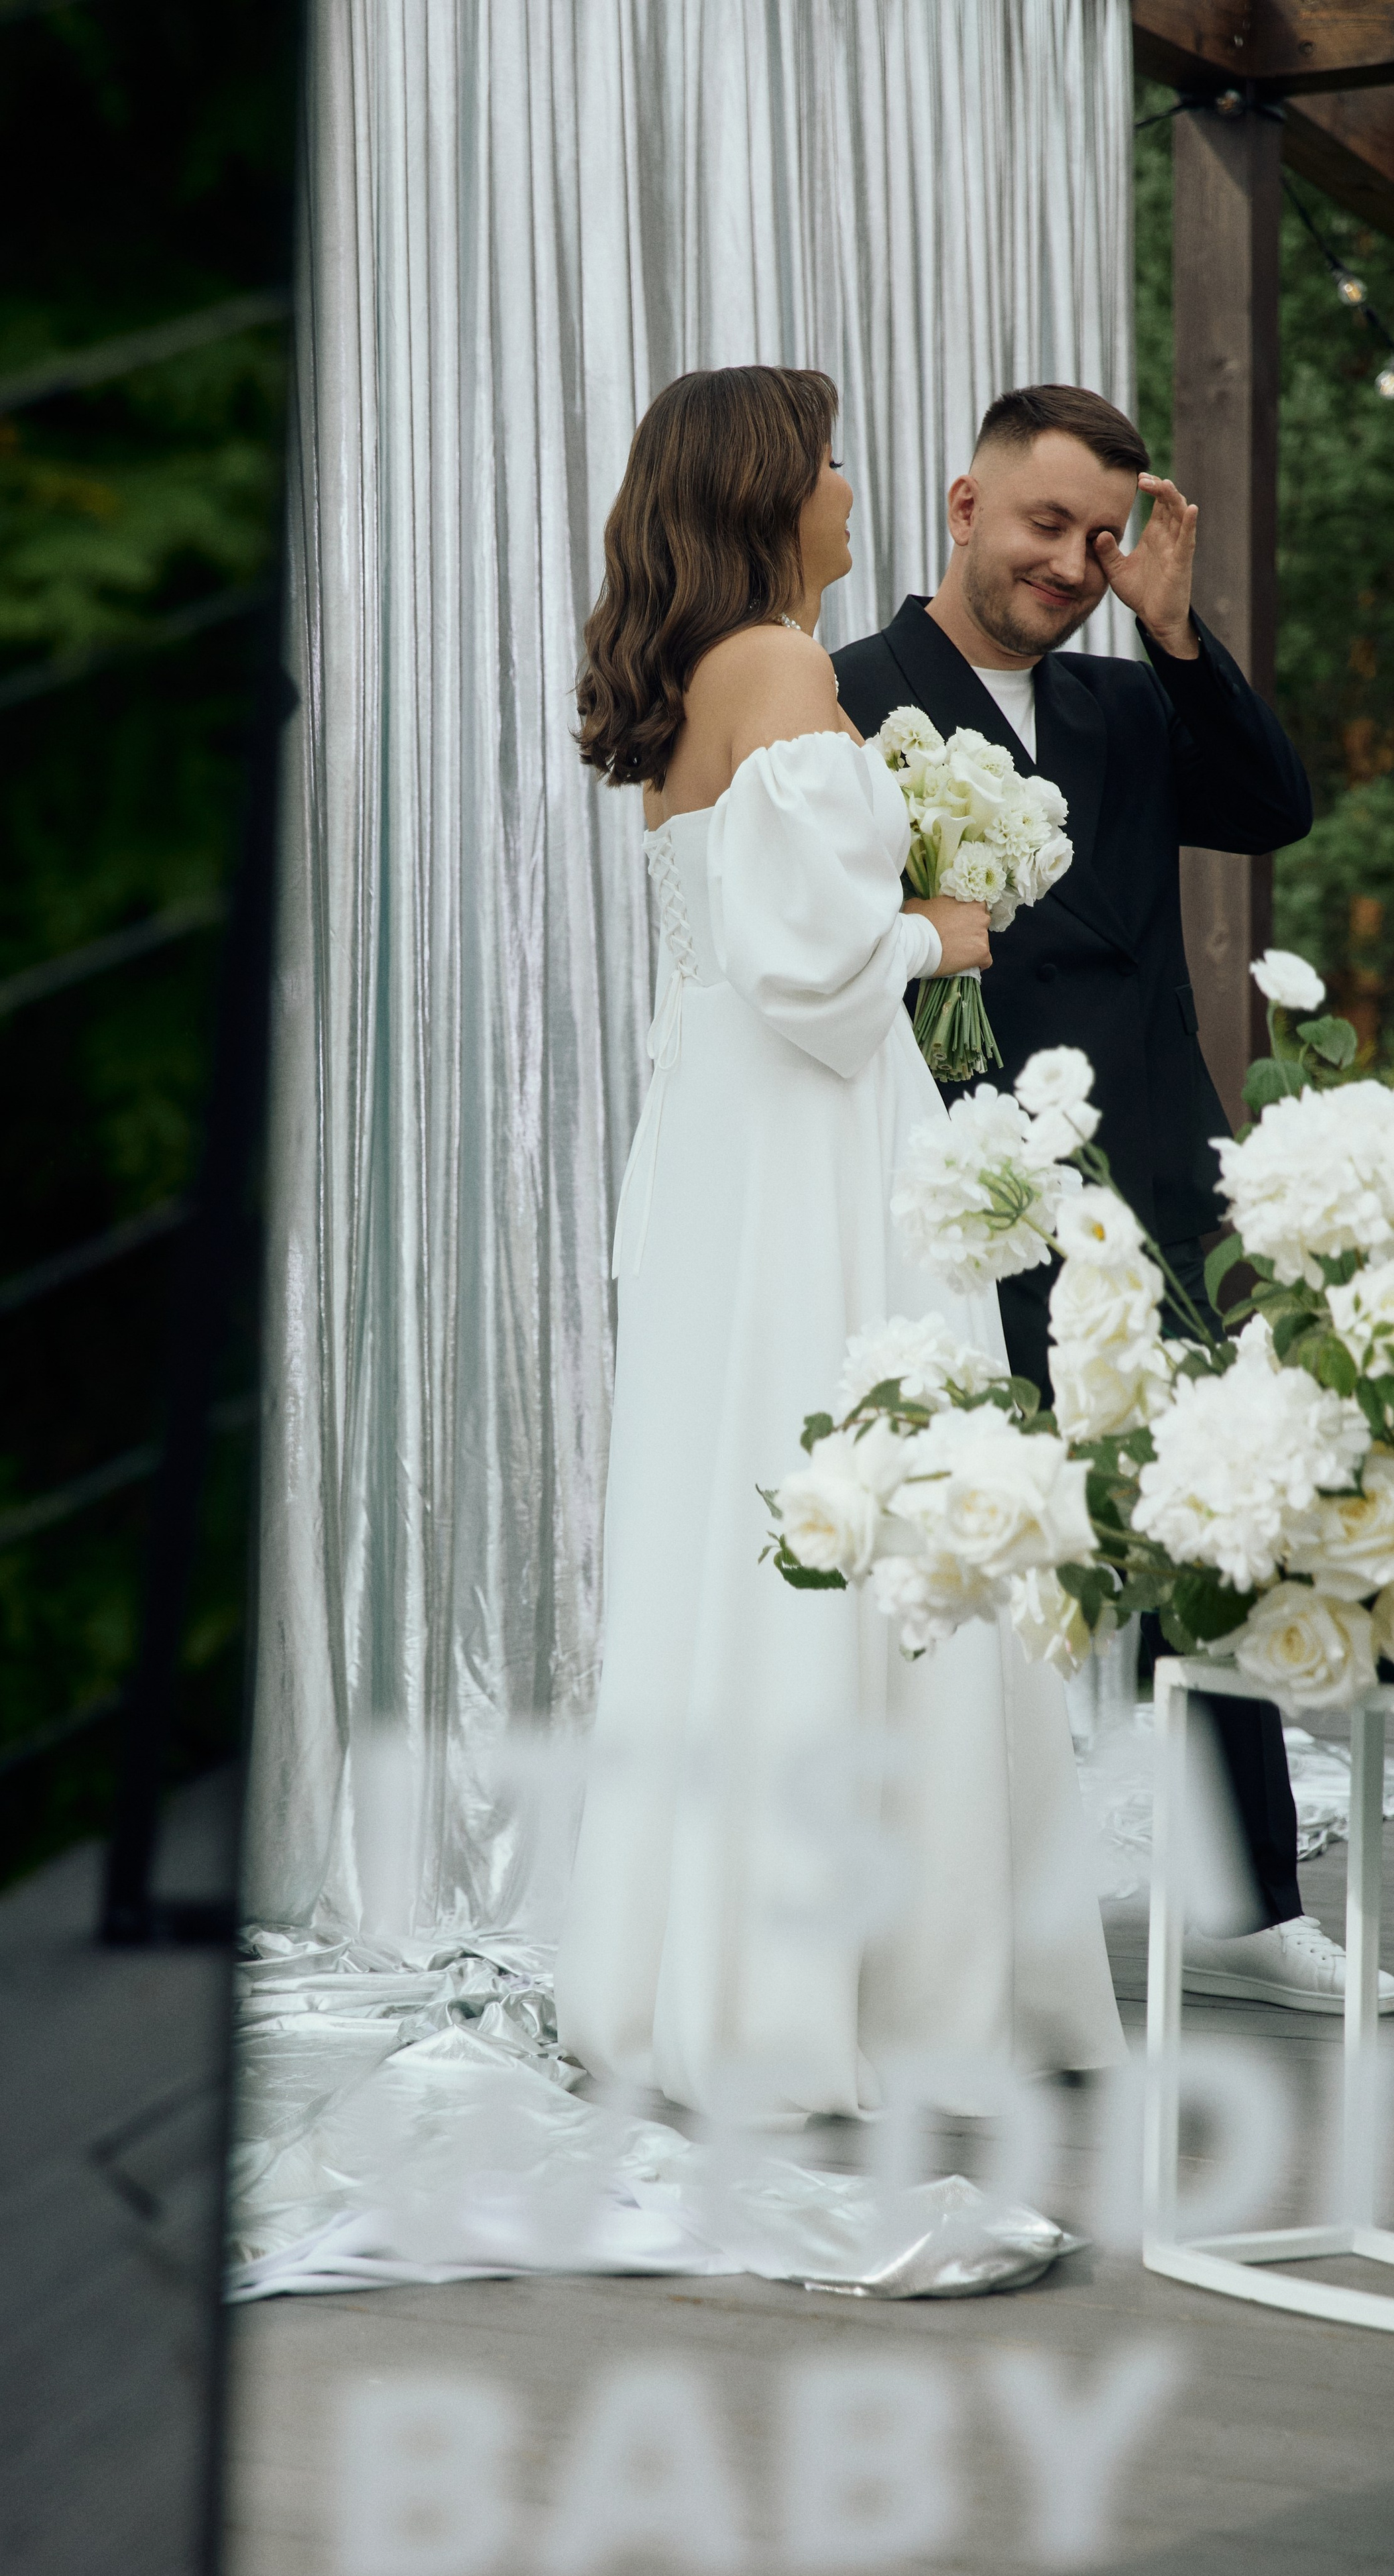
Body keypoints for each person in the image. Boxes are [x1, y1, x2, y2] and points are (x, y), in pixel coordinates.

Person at [554, 366, 1124, 2118]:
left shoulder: (698, 683)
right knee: (869, 1518)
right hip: (808, 1147)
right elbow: (812, 975)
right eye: (824, 459)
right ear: (763, 490)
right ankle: (875, 1985)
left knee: (755, 1524)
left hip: (728, 1148)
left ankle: (724, 1965)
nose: (851, 485)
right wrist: (948, 931)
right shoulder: (784, 665)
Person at [833, 381, 1394, 2017]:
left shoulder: (1124, 699)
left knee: (1202, 1525)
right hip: (951, 1185)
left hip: (1150, 1177)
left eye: (1100, 537)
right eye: (1044, 525)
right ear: (960, 505)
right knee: (967, 1537)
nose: (1071, 562)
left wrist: (1172, 635)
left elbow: (1271, 806)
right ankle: (947, 1910)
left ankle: (1241, 1902)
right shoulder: (847, 695)